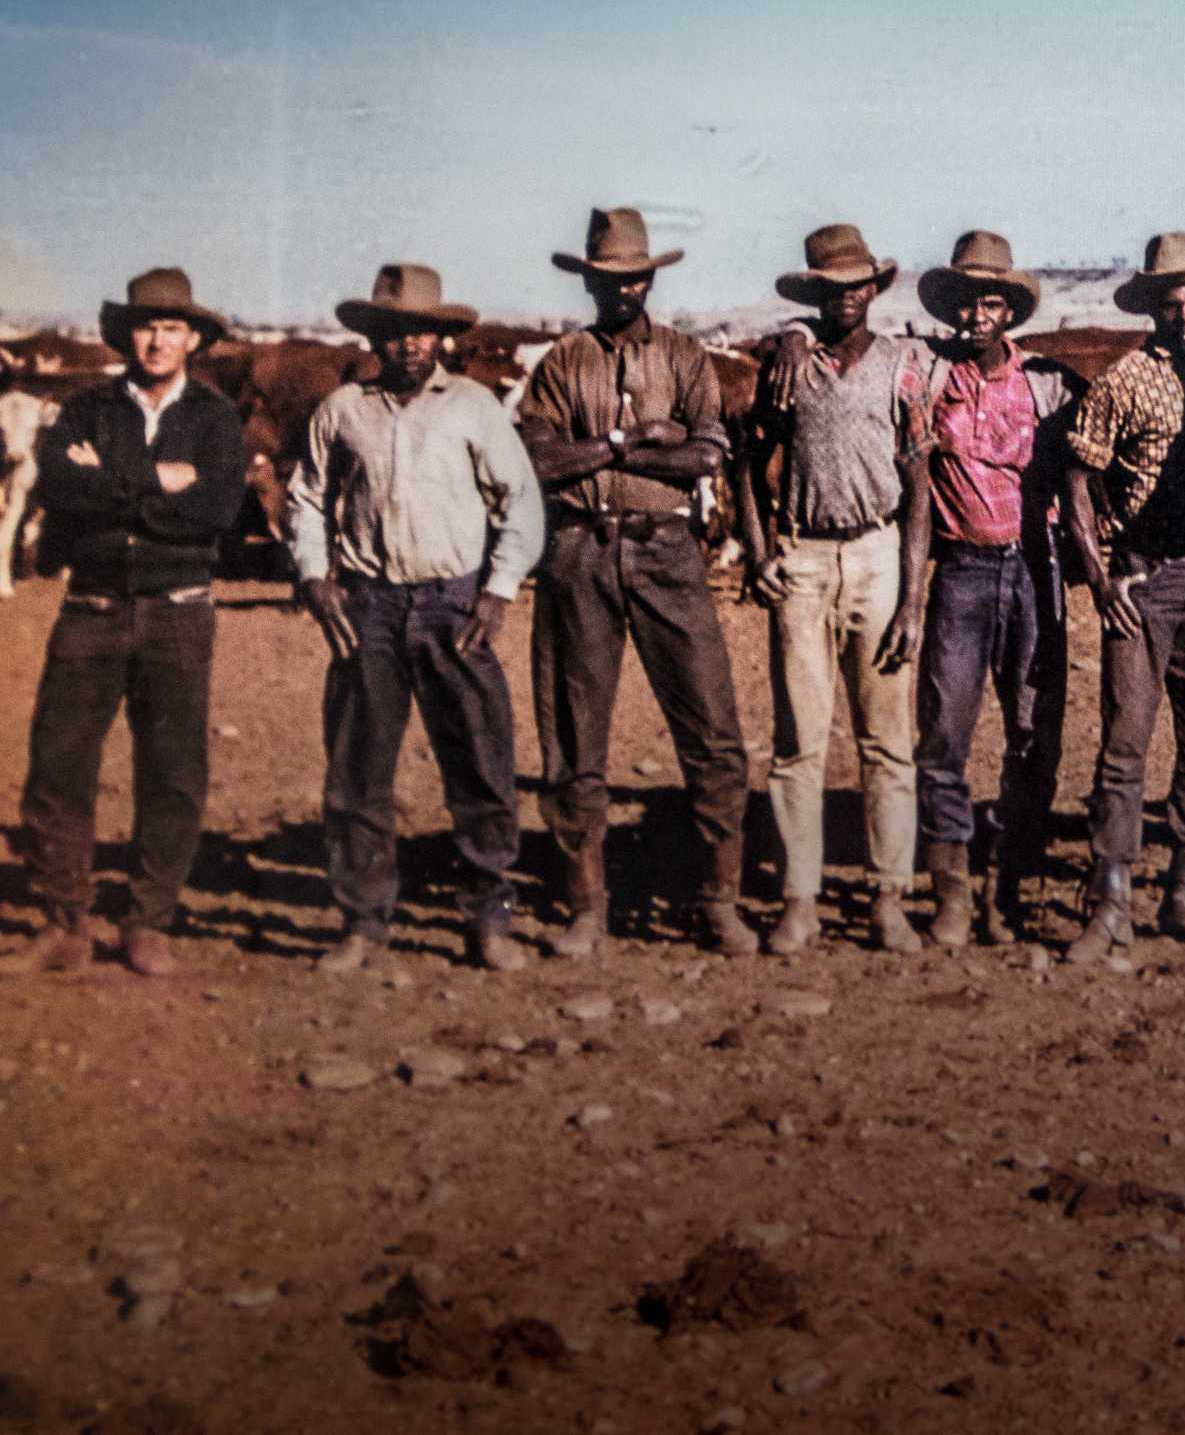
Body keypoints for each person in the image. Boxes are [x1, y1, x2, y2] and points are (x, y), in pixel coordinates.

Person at [288, 264, 544, 973]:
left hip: (452, 605)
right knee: (357, 772)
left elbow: (517, 502)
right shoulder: (342, 409)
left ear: (442, 337)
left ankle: (487, 916)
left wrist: (498, 590)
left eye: (421, 332)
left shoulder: (473, 407)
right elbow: (306, 496)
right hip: (368, 607)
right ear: (374, 336)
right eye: (394, 332)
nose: (407, 346)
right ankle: (364, 922)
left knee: (479, 763)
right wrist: (314, 577)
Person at [517, 207, 758, 957]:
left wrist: (595, 454)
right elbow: (538, 461)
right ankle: (585, 903)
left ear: (650, 277)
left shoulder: (686, 358)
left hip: (668, 554)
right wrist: (629, 442)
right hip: (579, 554)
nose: (621, 288)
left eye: (633, 276)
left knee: (713, 731)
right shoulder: (561, 362)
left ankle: (718, 898)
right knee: (572, 739)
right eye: (607, 278)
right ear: (589, 279)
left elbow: (707, 457)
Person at [2, 268, 246, 978]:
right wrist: (160, 480)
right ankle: (63, 924)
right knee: (58, 764)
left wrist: (111, 482)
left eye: (173, 327)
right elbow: (59, 486)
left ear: (195, 338)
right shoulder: (85, 409)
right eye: (146, 325)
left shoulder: (214, 417)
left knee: (172, 772)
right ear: (124, 334)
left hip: (178, 613)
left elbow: (218, 508)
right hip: (92, 607)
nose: (158, 339)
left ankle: (146, 922)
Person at [734, 224, 932, 955]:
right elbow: (749, 468)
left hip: (879, 555)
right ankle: (800, 899)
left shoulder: (900, 368)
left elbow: (919, 489)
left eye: (856, 285)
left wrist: (914, 599)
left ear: (873, 291)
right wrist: (758, 556)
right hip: (804, 560)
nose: (845, 298)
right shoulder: (786, 369)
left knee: (887, 742)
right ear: (814, 295)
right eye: (830, 288)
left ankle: (888, 898)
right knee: (798, 741)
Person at [1063, 232, 1185, 964]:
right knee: (1124, 746)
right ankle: (1108, 903)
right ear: (1152, 309)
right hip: (1141, 580)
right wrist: (1098, 575)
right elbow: (1077, 479)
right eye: (1172, 304)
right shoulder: (1124, 382)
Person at [910, 232, 1084, 945]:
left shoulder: (1051, 383)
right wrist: (796, 332)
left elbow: (1091, 462)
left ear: (1010, 311)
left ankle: (1006, 883)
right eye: (967, 302)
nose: (978, 315)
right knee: (944, 733)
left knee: (1033, 731)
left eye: (992, 302)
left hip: (1034, 570)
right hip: (961, 570)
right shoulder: (924, 374)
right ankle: (952, 888)